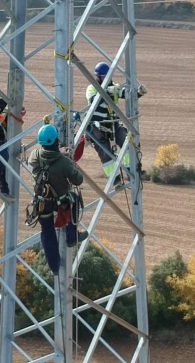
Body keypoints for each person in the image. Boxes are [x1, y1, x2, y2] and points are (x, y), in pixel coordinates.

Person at [27, 124, 88, 275]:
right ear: (56, 141)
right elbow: (78, 180)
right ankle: (71, 236)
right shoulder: (63, 162)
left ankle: (54, 266)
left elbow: (42, 157)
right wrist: (66, 157)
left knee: (46, 230)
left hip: (42, 202)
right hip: (61, 202)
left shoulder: (35, 155)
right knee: (73, 200)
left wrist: (59, 155)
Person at [85, 62, 147, 184]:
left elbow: (125, 94)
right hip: (97, 127)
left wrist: (139, 93)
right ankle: (115, 179)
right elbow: (94, 100)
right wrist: (107, 91)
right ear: (98, 77)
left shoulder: (115, 87)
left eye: (108, 76)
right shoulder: (91, 88)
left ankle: (132, 169)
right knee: (105, 152)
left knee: (129, 141)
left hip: (114, 125)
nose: (107, 79)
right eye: (104, 76)